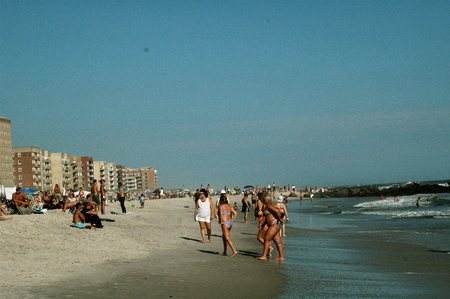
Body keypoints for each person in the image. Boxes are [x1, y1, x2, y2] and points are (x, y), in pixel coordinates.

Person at [257, 192, 284, 261]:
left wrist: (279, 218)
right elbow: (266, 217)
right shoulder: (266, 206)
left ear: (263, 199)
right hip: (274, 224)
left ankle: (264, 255)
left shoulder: (269, 206)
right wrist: (262, 223)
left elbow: (276, 211)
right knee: (277, 241)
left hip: (274, 224)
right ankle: (281, 257)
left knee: (266, 239)